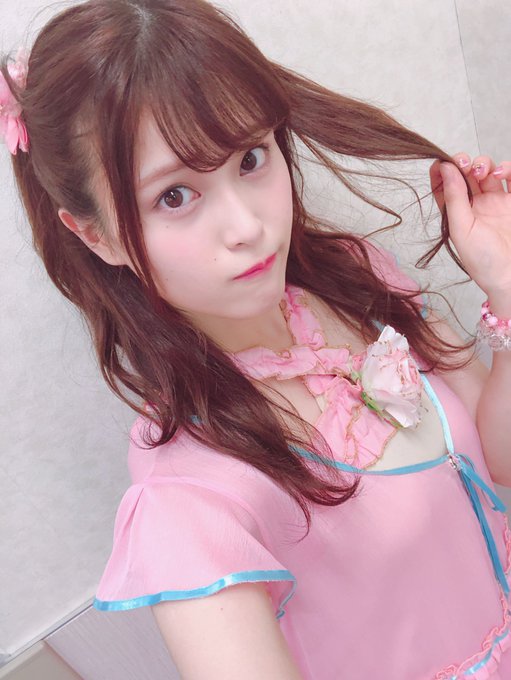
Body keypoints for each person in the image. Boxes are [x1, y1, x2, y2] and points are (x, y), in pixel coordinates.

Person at [2, 0, 511, 677]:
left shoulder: (355, 277)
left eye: (250, 158)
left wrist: (504, 287)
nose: (247, 226)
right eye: (174, 196)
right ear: (96, 235)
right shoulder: (190, 496)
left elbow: (498, 463)